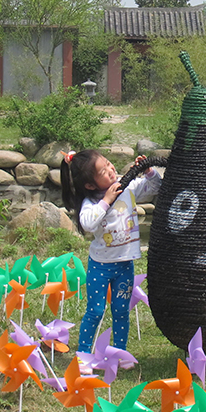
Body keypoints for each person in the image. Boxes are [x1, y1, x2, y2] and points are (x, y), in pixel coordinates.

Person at [61, 150, 161, 370]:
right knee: (95, 311)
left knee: (121, 310)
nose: (111, 170)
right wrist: (107, 200)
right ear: (90, 185)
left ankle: (120, 352)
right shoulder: (91, 202)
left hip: (125, 265)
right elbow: (87, 224)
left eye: (109, 164)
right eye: (103, 171)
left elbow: (155, 187)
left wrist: (149, 171)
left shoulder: (128, 188)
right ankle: (84, 355)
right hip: (100, 265)